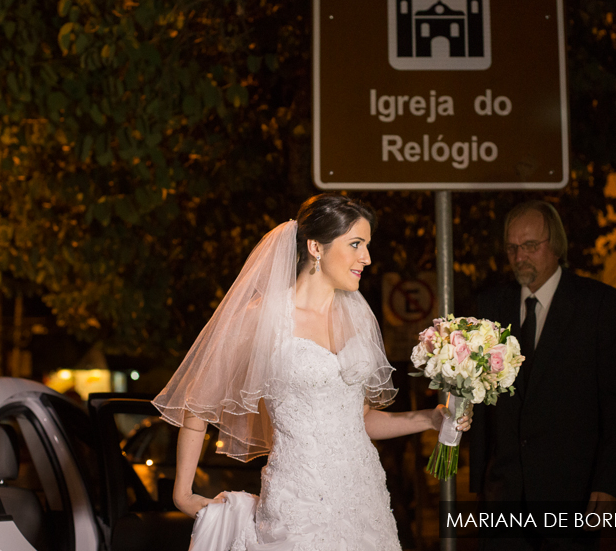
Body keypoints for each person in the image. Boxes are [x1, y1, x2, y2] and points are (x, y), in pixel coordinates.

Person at [154, 193, 471, 550]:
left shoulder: (357, 317)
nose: (366, 258)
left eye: (366, 245)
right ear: (316, 248)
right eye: (355, 244)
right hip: (298, 501)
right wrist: (182, 493)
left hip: (364, 497)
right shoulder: (263, 318)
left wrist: (429, 418)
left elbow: (360, 418)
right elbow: (197, 403)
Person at [469, 200, 616, 549]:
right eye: (513, 248)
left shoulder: (596, 304)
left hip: (572, 497)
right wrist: (479, 485)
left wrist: (610, 483)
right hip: (503, 499)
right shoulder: (490, 307)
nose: (520, 257)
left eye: (531, 246)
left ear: (556, 245)